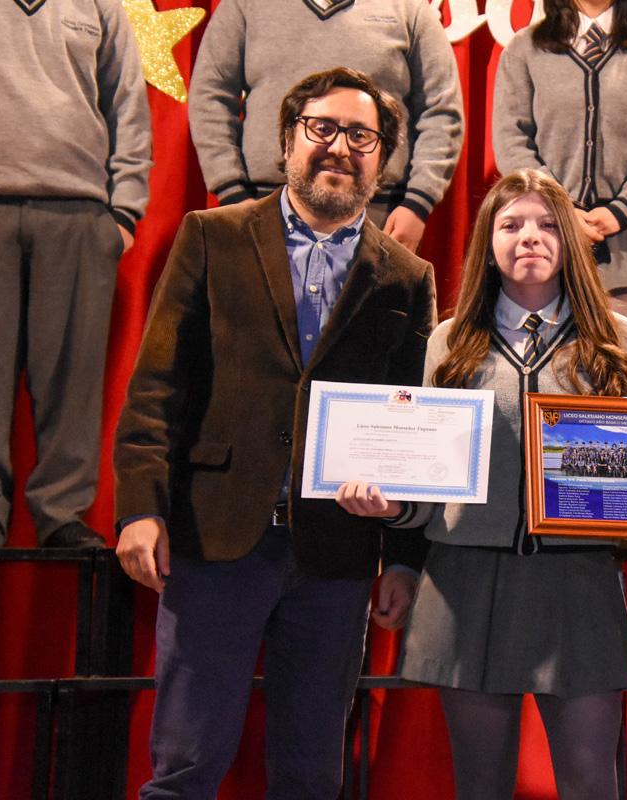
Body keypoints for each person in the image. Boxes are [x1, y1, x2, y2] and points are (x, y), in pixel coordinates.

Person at [114, 68, 436, 798]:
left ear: (382, 160)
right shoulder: (211, 236)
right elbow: (158, 383)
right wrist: (139, 508)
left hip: (337, 557)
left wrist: (405, 560)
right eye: (322, 128)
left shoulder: (406, 276)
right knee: (186, 765)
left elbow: (412, 421)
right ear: (288, 139)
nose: (340, 147)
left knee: (311, 772)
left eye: (362, 136)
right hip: (214, 540)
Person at [335, 169, 627, 800]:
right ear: (488, 242)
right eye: (511, 224)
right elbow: (427, 484)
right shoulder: (449, 342)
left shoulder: (619, 340)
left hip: (577, 585)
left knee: (591, 784)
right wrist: (389, 507)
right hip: (466, 585)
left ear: (571, 241)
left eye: (548, 224)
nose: (530, 236)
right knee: (480, 786)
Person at [0, 0, 151, 549]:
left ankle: (60, 513)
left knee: (72, 379)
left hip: (79, 212)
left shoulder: (101, 4)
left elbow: (128, 102)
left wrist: (124, 213)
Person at [188, 0, 464, 252]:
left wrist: (417, 204)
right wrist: (233, 194)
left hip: (379, 217)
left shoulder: (410, 8)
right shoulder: (243, 5)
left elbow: (441, 110)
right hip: (261, 213)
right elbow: (210, 96)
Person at [492, 0, 627, 328]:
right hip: (545, 238)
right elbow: (511, 142)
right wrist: (560, 210)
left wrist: (620, 212)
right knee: (543, 356)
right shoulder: (524, 49)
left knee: (614, 357)